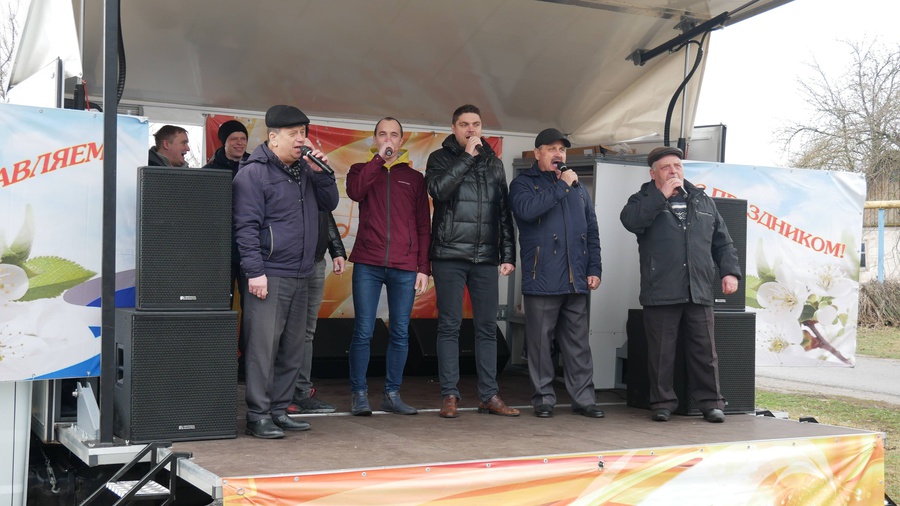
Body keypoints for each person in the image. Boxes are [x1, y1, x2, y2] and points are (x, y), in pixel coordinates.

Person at [232, 105, 339, 439]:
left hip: (302, 272)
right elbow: (245, 228)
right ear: (273, 137)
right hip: (270, 273)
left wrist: (322, 173)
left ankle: (279, 410)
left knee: (293, 348)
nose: (300, 139)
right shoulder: (253, 173)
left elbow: (330, 203)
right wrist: (255, 272)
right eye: (293, 134)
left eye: (303, 133)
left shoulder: (306, 170)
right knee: (263, 349)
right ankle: (258, 415)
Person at [619, 146, 741, 424]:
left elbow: (723, 241)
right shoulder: (642, 199)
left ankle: (711, 403)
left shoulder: (702, 200)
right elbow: (631, 221)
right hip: (661, 288)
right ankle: (662, 403)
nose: (673, 171)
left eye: (677, 166)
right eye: (666, 167)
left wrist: (729, 272)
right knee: (661, 353)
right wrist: (660, 196)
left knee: (705, 352)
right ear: (653, 174)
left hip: (698, 288)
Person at [424, 104, 518, 418]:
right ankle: (450, 395)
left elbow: (503, 212)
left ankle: (489, 395)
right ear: (454, 128)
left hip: (485, 257)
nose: (471, 130)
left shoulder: (494, 163)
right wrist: (466, 157)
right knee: (449, 327)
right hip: (449, 254)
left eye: (475, 124)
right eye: (464, 124)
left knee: (487, 328)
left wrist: (508, 254)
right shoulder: (439, 158)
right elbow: (439, 191)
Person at [508, 128, 604, 419]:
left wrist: (594, 268)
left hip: (576, 279)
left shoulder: (578, 188)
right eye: (551, 149)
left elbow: (591, 230)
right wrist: (561, 186)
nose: (558, 154)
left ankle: (584, 399)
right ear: (538, 153)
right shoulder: (523, 183)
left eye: (562, 149)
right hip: (542, 277)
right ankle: (543, 399)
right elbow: (527, 211)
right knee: (540, 344)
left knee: (578, 344)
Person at [345, 117, 431, 416]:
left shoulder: (415, 178)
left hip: (404, 265)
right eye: (382, 134)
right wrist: (378, 160)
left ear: (402, 141)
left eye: (394, 135)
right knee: (363, 331)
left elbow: (423, 225)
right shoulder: (360, 169)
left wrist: (423, 267)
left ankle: (392, 394)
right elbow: (355, 192)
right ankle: (358, 394)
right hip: (368, 262)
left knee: (400, 332)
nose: (388, 139)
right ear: (374, 139)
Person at [287, 211, 346, 414]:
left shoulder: (318, 189)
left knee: (307, 331)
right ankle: (278, 395)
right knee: (280, 330)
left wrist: (337, 250)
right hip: (286, 262)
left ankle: (301, 393)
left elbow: (325, 214)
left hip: (316, 261)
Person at [205, 120, 252, 375]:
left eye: (243, 138)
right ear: (224, 142)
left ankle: (248, 365)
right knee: (221, 308)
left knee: (253, 310)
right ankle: (220, 363)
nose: (239, 143)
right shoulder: (210, 170)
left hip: (250, 251)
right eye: (234, 138)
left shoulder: (257, 167)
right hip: (220, 253)